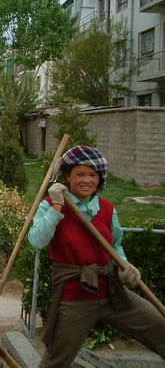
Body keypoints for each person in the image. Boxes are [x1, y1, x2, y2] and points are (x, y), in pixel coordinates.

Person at [28, 145, 165, 367]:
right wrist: (57, 207)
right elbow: (37, 241)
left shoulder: (108, 209)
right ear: (67, 177)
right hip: (75, 297)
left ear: (99, 179)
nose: (87, 180)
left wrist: (125, 267)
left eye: (93, 175)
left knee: (160, 327)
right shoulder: (51, 205)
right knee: (56, 360)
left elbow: (116, 245)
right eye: (80, 174)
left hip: (112, 292)